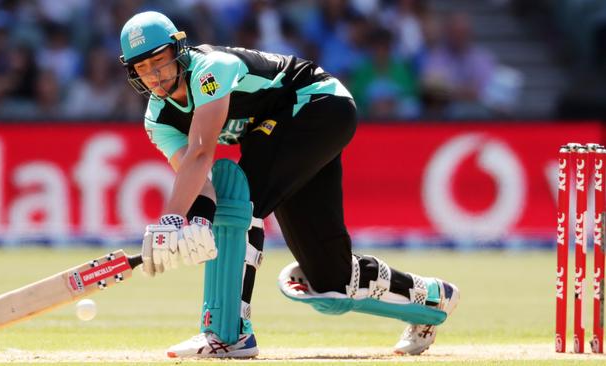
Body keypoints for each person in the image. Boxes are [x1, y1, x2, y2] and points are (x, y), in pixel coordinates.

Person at [118, 11, 459, 359]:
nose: (155, 76)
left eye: (159, 62)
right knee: (330, 283)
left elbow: (201, 152)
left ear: (179, 49)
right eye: (142, 69)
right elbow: (200, 183)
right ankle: (431, 299)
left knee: (241, 198)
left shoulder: (210, 70)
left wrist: (172, 220)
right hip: (284, 130)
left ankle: (228, 334)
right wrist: (200, 221)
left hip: (317, 105)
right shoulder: (157, 119)